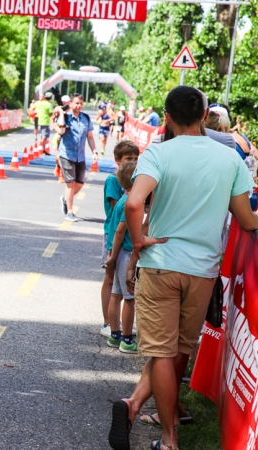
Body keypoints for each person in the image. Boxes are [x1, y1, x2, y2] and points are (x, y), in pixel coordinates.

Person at [108, 86, 258, 450]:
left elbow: (134, 203)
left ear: (169, 117)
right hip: (203, 271)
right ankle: (135, 409)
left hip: (160, 265)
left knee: (161, 351)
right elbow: (247, 221)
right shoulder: (230, 159)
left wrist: (140, 240)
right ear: (204, 113)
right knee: (178, 351)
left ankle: (168, 439)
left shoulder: (158, 153)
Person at [100, 141, 139, 338]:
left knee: (118, 289)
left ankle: (117, 327)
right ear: (117, 160)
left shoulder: (132, 186)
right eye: (128, 159)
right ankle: (108, 323)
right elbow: (120, 216)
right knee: (112, 280)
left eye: (134, 159)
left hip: (120, 239)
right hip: (114, 236)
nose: (132, 163)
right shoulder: (114, 182)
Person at [56, 94, 98, 222]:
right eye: (76, 103)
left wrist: (94, 151)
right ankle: (70, 212)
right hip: (67, 154)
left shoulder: (85, 118)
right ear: (70, 104)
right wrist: (61, 113)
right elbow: (61, 131)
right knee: (71, 183)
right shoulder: (65, 118)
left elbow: (90, 136)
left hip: (80, 156)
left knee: (79, 184)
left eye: (81, 103)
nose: (79, 105)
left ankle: (65, 199)